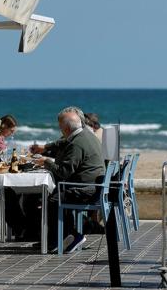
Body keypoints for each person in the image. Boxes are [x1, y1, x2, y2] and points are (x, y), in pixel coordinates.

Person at [33, 107, 105, 253]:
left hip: (86, 189)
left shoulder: (77, 144)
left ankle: (70, 236)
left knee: (52, 200)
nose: (60, 129)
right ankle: (57, 238)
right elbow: (63, 143)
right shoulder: (85, 134)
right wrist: (46, 147)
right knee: (56, 194)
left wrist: (46, 161)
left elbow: (63, 173)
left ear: (65, 128)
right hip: (93, 185)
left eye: (60, 126)